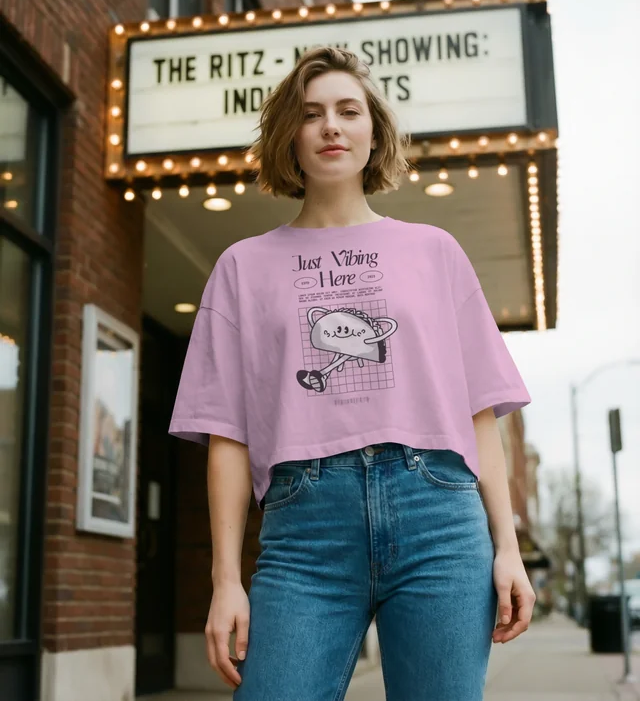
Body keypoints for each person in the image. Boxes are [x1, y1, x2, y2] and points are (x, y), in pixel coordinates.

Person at [168, 46, 536, 700]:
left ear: (374, 132)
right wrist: (226, 579)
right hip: (304, 531)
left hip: (439, 521)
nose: (331, 126)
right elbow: (226, 434)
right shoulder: (242, 267)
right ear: (291, 137)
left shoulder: (434, 252)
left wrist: (507, 545)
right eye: (311, 115)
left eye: (348, 110)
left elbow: (481, 409)